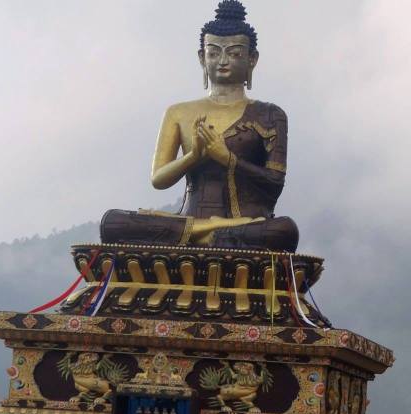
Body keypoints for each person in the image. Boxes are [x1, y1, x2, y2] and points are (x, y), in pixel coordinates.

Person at [94, 1, 297, 255]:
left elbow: (274, 182)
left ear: (251, 59)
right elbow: (158, 179)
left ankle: (214, 231)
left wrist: (228, 159)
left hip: (248, 223)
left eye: (234, 54)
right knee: (113, 223)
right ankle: (210, 231)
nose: (223, 61)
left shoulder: (270, 114)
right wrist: (193, 157)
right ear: (202, 57)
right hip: (190, 221)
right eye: (214, 53)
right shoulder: (178, 112)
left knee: (284, 231)